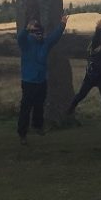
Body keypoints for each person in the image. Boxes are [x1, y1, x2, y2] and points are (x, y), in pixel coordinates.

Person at [16, 14, 68, 144]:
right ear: (31, 33)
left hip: (41, 81)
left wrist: (62, 24)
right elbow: (20, 38)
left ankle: (37, 126)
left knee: (39, 106)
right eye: (36, 33)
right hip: (28, 81)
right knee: (26, 108)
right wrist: (26, 29)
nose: (39, 35)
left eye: (40, 33)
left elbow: (54, 37)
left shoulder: (45, 43)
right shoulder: (26, 43)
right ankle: (22, 134)